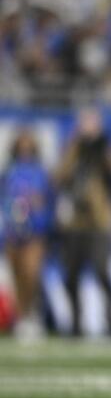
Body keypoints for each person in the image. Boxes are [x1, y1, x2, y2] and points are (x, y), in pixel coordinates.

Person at [55, 108, 111, 337]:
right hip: (76, 222)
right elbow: (59, 177)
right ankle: (75, 322)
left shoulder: (105, 151)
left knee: (102, 272)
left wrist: (101, 146)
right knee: (71, 275)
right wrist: (76, 147)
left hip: (99, 221)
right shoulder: (73, 151)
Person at [1, 129, 52, 341]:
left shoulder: (41, 173)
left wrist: (43, 223)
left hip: (35, 231)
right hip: (14, 231)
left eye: (28, 145)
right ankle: (22, 318)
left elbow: (48, 201)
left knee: (31, 274)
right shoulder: (9, 172)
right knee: (18, 275)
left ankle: (31, 314)